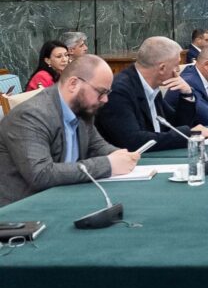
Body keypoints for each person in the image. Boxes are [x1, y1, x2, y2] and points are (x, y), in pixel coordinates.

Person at [0, 55, 139, 207]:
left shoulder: (81, 108)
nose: (105, 99)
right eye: (101, 92)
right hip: (23, 210)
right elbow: (41, 175)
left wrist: (120, 155)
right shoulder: (31, 115)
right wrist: (108, 164)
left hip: (64, 199)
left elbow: (97, 146)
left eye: (107, 93)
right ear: (73, 84)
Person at [96, 37, 208, 151]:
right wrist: (189, 134)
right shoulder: (119, 91)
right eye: (176, 65)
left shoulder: (151, 86)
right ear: (162, 68)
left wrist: (186, 95)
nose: (178, 71)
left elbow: (175, 126)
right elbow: (133, 141)